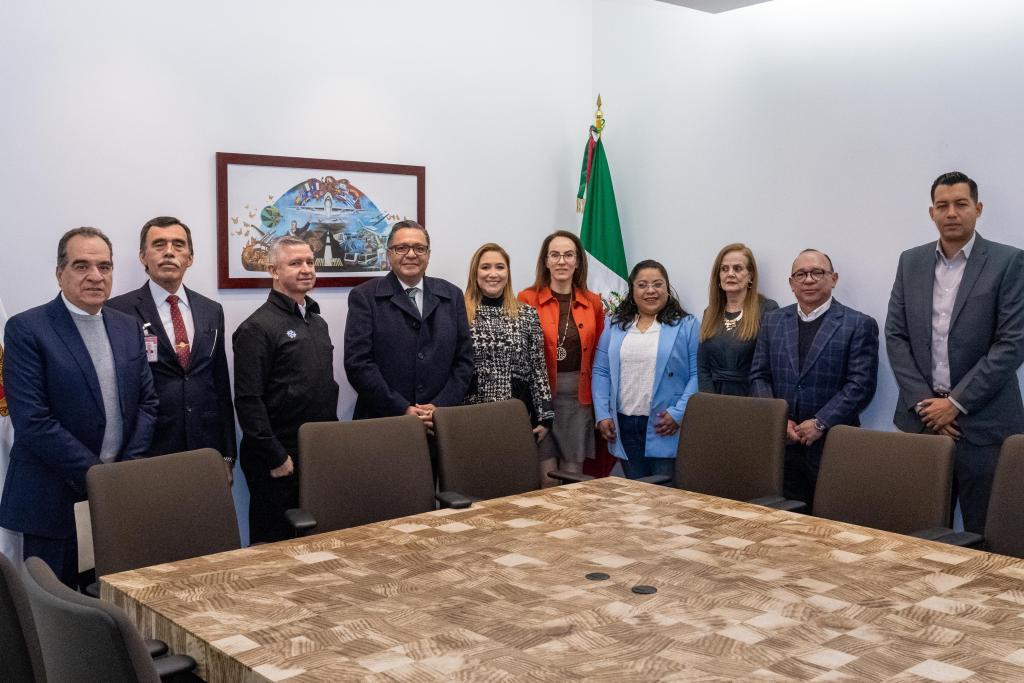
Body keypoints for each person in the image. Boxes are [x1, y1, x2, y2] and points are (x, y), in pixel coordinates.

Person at [0, 227, 157, 586]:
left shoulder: (127, 326)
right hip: (52, 502)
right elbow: (33, 421)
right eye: (82, 266)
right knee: (58, 617)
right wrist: (97, 475)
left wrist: (125, 470)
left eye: (105, 266)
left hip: (117, 496)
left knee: (115, 605)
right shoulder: (27, 329)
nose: (95, 276)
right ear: (60, 273)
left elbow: (147, 403)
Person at [885, 171, 1024, 535]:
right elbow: (896, 336)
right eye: (942, 206)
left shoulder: (1008, 262)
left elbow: (1012, 343)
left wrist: (956, 403)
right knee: (918, 535)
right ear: (931, 212)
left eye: (960, 204)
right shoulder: (910, 261)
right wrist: (924, 402)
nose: (951, 213)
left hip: (984, 425)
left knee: (985, 536)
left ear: (977, 209)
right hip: (922, 423)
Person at [107, 216, 236, 482]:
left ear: (190, 257)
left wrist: (227, 453)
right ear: (143, 256)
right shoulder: (118, 311)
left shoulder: (211, 310)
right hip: (148, 449)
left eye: (178, 245)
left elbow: (220, 385)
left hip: (204, 446)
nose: (169, 252)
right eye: (159, 245)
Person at [749, 249, 878, 510]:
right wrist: (778, 420)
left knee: (830, 526)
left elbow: (860, 385)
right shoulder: (773, 321)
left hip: (832, 445)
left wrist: (820, 423)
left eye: (817, 273)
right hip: (782, 447)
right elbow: (758, 375)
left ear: (833, 279)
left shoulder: (858, 324)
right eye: (801, 274)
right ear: (791, 283)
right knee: (782, 526)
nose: (809, 280)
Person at [233, 236, 338, 543]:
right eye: (295, 263)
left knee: (316, 540)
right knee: (275, 547)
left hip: (315, 452)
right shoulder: (257, 327)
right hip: (279, 459)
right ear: (273, 271)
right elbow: (248, 401)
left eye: (309, 262)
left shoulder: (317, 322)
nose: (306, 269)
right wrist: (275, 455)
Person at [344, 220, 474, 429]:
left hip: (441, 423)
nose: (411, 254)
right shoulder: (364, 296)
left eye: (419, 248)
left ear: (428, 255)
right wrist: (402, 409)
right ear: (389, 254)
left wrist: (439, 407)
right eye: (401, 248)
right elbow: (358, 363)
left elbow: (464, 361)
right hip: (383, 421)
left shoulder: (452, 295)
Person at [592, 260, 698, 479]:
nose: (650, 290)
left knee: (665, 501)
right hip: (623, 425)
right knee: (635, 499)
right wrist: (602, 414)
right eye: (642, 285)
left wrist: (678, 414)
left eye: (658, 284)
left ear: (667, 289)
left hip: (665, 425)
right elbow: (601, 371)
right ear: (632, 291)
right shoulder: (614, 325)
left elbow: (698, 374)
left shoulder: (687, 325)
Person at [518, 231, 604, 481]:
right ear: (545, 261)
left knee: (573, 479)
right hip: (541, 400)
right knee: (545, 478)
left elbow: (599, 353)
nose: (561, 261)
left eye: (568, 255)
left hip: (578, 402)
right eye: (554, 255)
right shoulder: (527, 298)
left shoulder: (593, 302)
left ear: (578, 261)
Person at [464, 243, 554, 480]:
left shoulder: (526, 314)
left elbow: (538, 367)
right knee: (475, 484)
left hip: (515, 417)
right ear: (475, 272)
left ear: (508, 273)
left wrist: (545, 417)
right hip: (470, 417)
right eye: (485, 267)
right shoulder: (459, 312)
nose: (493, 273)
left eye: (500, 267)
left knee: (513, 487)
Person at [697, 243, 778, 395]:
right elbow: (703, 368)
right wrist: (710, 403)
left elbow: (772, 366)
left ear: (750, 275)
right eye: (724, 269)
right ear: (718, 275)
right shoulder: (710, 312)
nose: (730, 274)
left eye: (738, 268)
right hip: (714, 400)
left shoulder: (767, 309)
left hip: (753, 399)